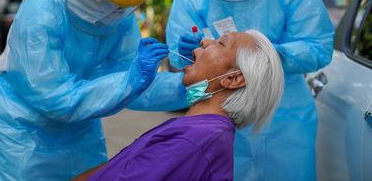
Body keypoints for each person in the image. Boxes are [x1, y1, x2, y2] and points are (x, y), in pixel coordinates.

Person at [0, 0, 188, 180]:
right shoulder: (41, 14)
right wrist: (131, 79)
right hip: (22, 135)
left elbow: (135, 88)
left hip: (81, 132)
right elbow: (56, 100)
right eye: (114, 1)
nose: (119, 12)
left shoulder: (117, 15)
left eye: (126, 6)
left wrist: (195, 88)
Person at [166, 0, 335, 180]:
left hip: (285, 116)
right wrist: (187, 55)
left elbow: (318, 48)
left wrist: (259, 55)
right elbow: (179, 61)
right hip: (221, 116)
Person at [72, 30, 284, 181]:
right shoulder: (200, 131)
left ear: (233, 79)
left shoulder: (194, 141)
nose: (204, 42)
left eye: (220, 43)